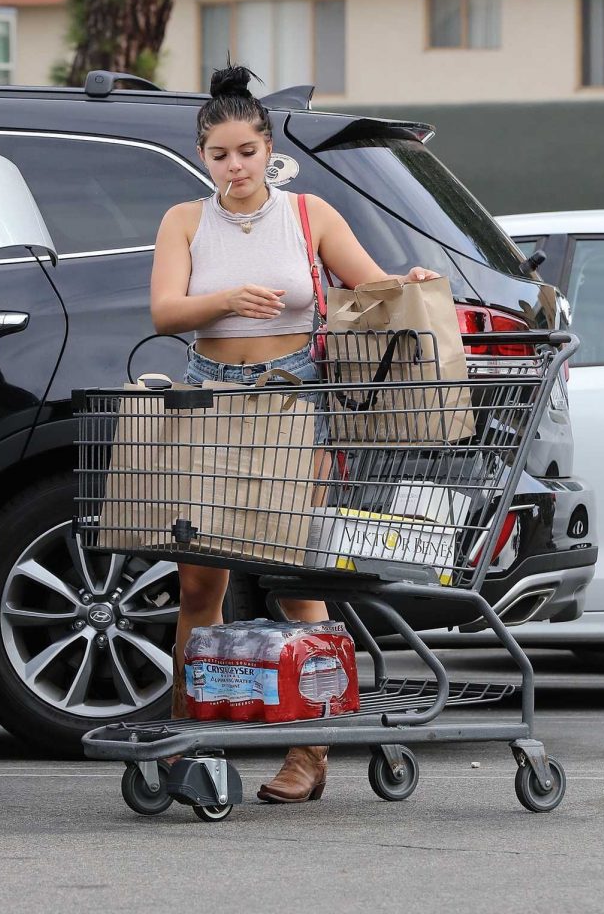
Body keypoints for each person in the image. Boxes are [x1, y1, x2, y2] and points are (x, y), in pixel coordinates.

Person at [150, 63, 439, 804]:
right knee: (197, 581)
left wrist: (405, 285)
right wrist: (222, 299)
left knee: (292, 578)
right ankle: (193, 740)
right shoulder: (184, 220)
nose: (234, 167)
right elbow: (164, 313)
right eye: (219, 155)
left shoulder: (309, 214)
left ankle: (309, 752)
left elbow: (368, 295)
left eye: (246, 151)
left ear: (267, 148)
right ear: (202, 157)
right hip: (210, 398)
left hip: (288, 401)